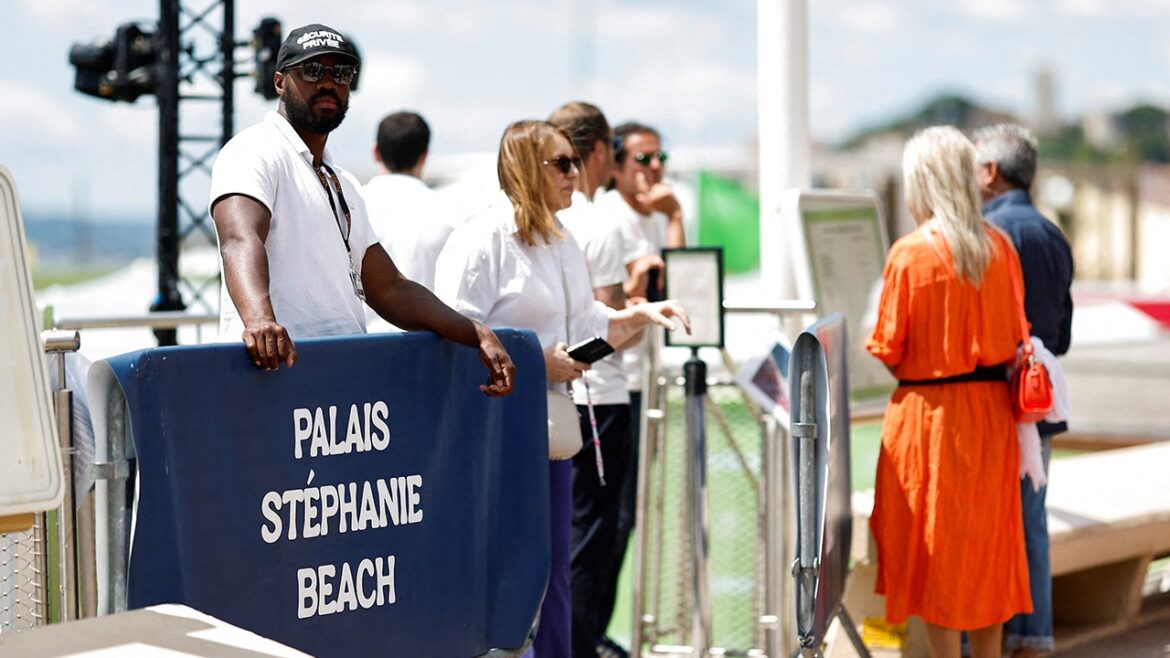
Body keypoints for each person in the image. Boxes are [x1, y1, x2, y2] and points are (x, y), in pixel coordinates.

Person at [434, 120, 690, 658]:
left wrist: (641, 314)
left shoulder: (561, 239)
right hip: (496, 435)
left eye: (575, 161)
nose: (577, 174)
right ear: (527, 168)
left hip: (552, 432)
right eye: (563, 164)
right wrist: (534, 362)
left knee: (552, 570)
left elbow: (588, 325)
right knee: (502, 571)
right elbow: (454, 337)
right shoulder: (480, 241)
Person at [209, 23, 513, 398]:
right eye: (312, 70)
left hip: (339, 380)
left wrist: (474, 332)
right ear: (279, 82)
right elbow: (240, 238)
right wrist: (259, 320)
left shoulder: (343, 182)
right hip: (270, 378)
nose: (328, 83)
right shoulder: (254, 151)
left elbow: (390, 288)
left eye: (341, 73)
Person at [865, 126, 1032, 658]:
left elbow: (888, 345)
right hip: (992, 418)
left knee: (935, 553)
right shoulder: (1000, 248)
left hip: (930, 418)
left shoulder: (911, 254)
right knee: (987, 554)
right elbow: (1018, 334)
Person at [973, 123, 1074, 658]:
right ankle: (1033, 633)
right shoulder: (1051, 233)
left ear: (990, 172)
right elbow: (1063, 332)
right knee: (1031, 520)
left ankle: (977, 634)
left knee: (983, 523)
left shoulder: (986, 235)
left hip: (989, 399)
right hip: (1037, 400)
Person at [592, 121, 688, 646]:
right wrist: (673, 217)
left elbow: (679, 283)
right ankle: (590, 635)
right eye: (643, 160)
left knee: (621, 520)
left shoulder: (643, 217)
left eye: (660, 157)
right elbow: (673, 283)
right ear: (616, 166)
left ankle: (595, 632)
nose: (655, 169)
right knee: (611, 520)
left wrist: (671, 218)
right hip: (613, 383)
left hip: (633, 383)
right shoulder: (616, 220)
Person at [548, 101, 633, 658]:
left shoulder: (541, 218)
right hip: (597, 399)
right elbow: (614, 326)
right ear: (598, 150)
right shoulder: (601, 223)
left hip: (552, 396)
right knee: (592, 543)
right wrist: (645, 313)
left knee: (559, 539)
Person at [362, 110, 453, 308]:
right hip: (428, 335)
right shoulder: (451, 213)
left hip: (359, 336)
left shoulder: (350, 205)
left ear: (375, 151)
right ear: (424, 156)